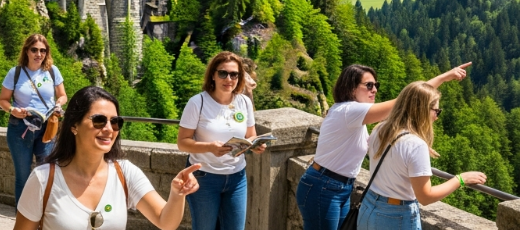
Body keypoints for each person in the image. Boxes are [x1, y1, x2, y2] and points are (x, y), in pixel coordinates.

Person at [296, 63, 471, 230]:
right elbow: (406, 101)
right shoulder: (350, 111)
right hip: (325, 186)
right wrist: (443, 77)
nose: (375, 89)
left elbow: (399, 115)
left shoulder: (351, 115)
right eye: (369, 85)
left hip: (336, 185)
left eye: (376, 84)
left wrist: (412, 144)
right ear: (351, 88)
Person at [14, 86, 201, 230]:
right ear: (74, 126)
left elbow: (165, 221)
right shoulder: (44, 179)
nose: (109, 129)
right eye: (99, 121)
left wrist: (177, 195)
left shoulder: (125, 173)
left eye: (115, 122)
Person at [358, 81, 487, 229]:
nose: (437, 117)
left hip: (369, 206)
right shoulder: (415, 145)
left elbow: (391, 156)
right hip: (395, 216)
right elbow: (425, 197)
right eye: (436, 111)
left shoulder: (380, 129)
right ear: (422, 110)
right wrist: (460, 179)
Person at [177, 51, 267, 230]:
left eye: (234, 74)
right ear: (213, 75)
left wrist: (254, 144)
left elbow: (251, 134)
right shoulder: (197, 102)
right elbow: (182, 142)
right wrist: (209, 147)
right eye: (223, 73)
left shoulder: (244, 102)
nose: (229, 79)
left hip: (237, 177)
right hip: (205, 178)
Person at [0, 34, 67, 206]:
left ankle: (43, 218)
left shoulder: (52, 71)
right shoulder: (15, 73)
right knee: (23, 177)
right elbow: (3, 100)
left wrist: (58, 104)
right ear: (27, 51)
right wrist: (13, 110)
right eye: (34, 50)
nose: (39, 54)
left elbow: (63, 95)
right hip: (20, 128)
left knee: (46, 175)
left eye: (43, 50)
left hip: (47, 127)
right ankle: (22, 220)